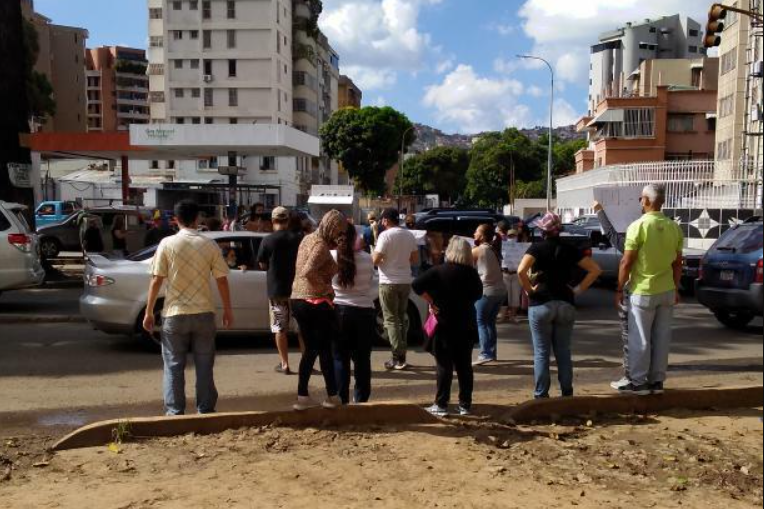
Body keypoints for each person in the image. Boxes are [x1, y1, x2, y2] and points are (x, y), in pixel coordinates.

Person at [143, 200, 233, 416]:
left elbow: (156, 280)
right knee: (204, 366)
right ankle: (206, 409)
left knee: (173, 366)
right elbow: (222, 280)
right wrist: (228, 310)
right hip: (203, 313)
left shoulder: (166, 244)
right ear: (197, 219)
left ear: (175, 220)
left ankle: (175, 412)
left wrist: (148, 312)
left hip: (174, 314)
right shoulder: (209, 244)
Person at [518, 212, 602, 399]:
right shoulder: (570, 248)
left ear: (542, 230)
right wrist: (577, 290)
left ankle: (541, 394)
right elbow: (595, 270)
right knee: (563, 351)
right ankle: (567, 392)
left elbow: (521, 270)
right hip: (565, 301)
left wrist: (529, 290)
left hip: (541, 302)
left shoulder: (537, 248)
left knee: (541, 353)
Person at [617, 185, 683, 396]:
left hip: (643, 290)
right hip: (667, 289)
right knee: (662, 337)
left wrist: (619, 288)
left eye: (640, 199)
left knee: (640, 338)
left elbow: (626, 262)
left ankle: (638, 382)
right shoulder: (674, 227)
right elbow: (678, 263)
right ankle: (657, 381)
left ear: (645, 200)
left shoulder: (638, 226)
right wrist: (676, 287)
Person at [413, 237, 484, 417]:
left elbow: (416, 285)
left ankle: (441, 404)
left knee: (444, 364)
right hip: (466, 323)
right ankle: (465, 405)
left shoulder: (438, 271)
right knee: (464, 366)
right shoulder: (472, 274)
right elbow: (478, 294)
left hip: (444, 323)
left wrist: (431, 301)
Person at [291, 210, 347, 411]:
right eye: (338, 230)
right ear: (332, 227)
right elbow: (307, 271)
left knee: (310, 350)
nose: (338, 235)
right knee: (324, 350)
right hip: (314, 302)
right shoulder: (321, 245)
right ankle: (332, 395)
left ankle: (303, 396)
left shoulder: (308, 239)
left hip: (298, 299)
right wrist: (325, 288)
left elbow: (303, 269)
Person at [331, 223, 376, 405]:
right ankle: (361, 399)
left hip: (340, 309)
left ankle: (342, 399)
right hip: (365, 310)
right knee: (362, 359)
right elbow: (371, 280)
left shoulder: (332, 256)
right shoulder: (367, 258)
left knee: (340, 357)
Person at [257, 207, 304, 375]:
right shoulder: (299, 239)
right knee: (301, 328)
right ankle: (306, 362)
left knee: (280, 328)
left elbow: (262, 264)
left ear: (273, 221)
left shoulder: (268, 240)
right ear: (288, 220)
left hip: (277, 291)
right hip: (299, 290)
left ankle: (284, 364)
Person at [373, 208, 419, 371]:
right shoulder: (408, 234)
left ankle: (397, 357)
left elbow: (376, 260)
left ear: (386, 220)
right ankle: (402, 356)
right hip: (405, 281)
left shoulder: (384, 236)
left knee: (391, 320)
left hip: (388, 282)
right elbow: (415, 260)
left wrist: (381, 256)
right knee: (401, 318)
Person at [592, 201, 630, 391]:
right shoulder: (669, 230)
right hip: (663, 290)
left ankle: (631, 374)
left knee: (632, 334)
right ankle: (655, 375)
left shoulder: (637, 236)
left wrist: (619, 290)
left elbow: (612, 235)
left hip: (639, 292)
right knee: (655, 334)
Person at [472, 224, 507, 366]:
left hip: (486, 291)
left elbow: (461, 260)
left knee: (481, 321)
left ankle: (485, 353)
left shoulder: (478, 250)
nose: (474, 234)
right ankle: (491, 352)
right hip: (499, 291)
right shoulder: (492, 249)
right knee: (490, 322)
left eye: (476, 231)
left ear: (481, 235)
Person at [500, 229, 526, 324]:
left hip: (516, 274)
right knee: (505, 296)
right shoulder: (503, 246)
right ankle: (503, 316)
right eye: (510, 236)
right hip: (505, 274)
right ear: (507, 236)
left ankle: (512, 316)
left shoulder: (521, 247)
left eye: (513, 236)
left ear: (517, 236)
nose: (512, 238)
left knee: (515, 296)